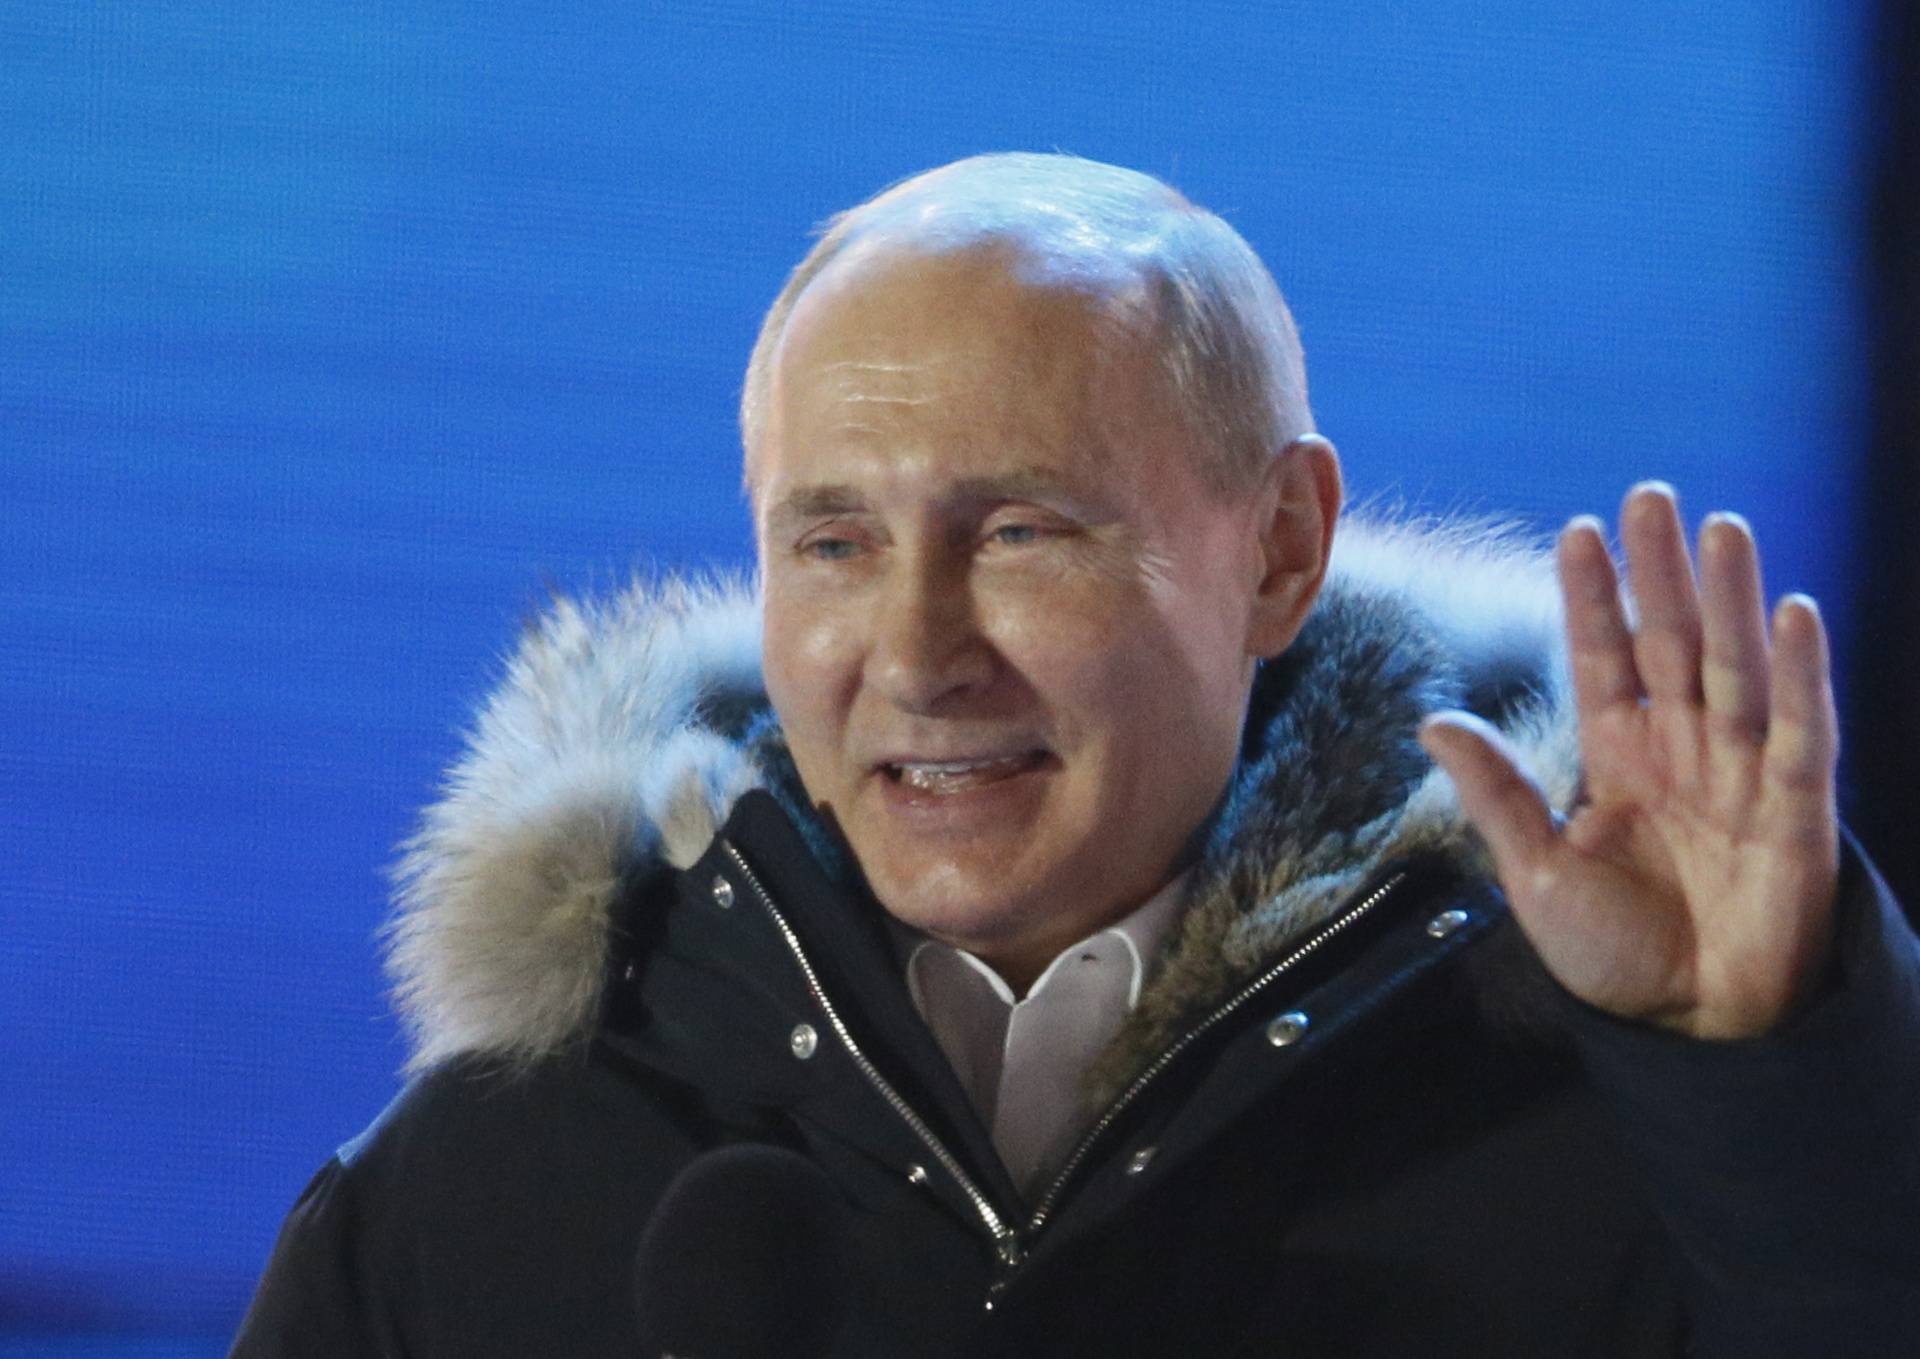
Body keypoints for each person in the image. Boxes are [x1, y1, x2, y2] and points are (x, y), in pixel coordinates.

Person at [231, 154, 1920, 1357]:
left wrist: (1773, 1078)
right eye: (832, 544)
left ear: (1277, 548)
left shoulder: (1626, 1099)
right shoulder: (490, 1174)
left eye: (1021, 531)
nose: (913, 655)